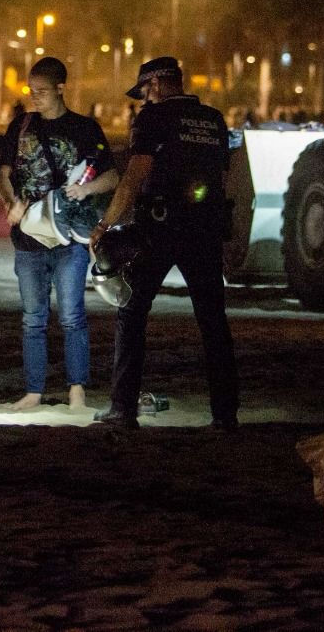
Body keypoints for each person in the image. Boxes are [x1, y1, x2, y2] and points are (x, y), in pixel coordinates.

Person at [91, 57, 239, 430]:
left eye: (144, 91)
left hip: (160, 227)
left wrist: (105, 223)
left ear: (155, 84)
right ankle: (225, 415)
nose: (143, 99)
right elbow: (223, 177)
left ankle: (122, 409)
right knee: (213, 322)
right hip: (204, 229)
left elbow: (134, 176)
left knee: (131, 310)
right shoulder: (213, 120)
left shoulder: (152, 119)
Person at [0, 57, 119, 411]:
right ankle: (33, 392)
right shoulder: (21, 125)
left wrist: (86, 189)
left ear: (62, 88)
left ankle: (76, 391)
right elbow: (2, 173)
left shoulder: (85, 128)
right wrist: (10, 202)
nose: (35, 97)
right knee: (32, 318)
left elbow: (113, 177)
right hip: (29, 238)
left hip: (68, 237)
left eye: (43, 91)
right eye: (31, 91)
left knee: (71, 314)